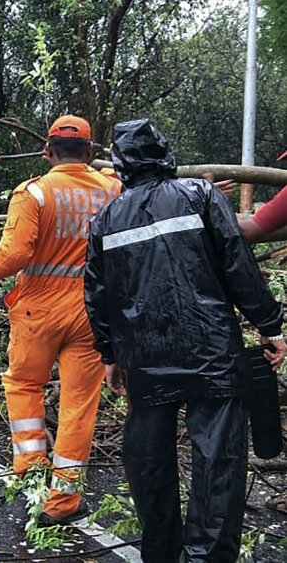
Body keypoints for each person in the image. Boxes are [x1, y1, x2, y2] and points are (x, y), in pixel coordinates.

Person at [83, 119, 285, 562]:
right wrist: (270, 324)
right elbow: (237, 265)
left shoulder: (105, 219)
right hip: (210, 349)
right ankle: (207, 557)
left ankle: (161, 552)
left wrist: (111, 355)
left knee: (148, 459)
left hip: (145, 356)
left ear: (120, 167)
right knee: (218, 462)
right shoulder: (200, 195)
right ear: (164, 155)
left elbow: (97, 295)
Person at [0, 115, 121, 525]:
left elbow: (15, 255)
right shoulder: (113, 190)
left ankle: (30, 470)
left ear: (47, 150)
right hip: (93, 312)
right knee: (79, 405)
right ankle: (62, 503)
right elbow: (132, 186)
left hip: (37, 311)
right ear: (91, 153)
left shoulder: (34, 194)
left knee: (24, 384)